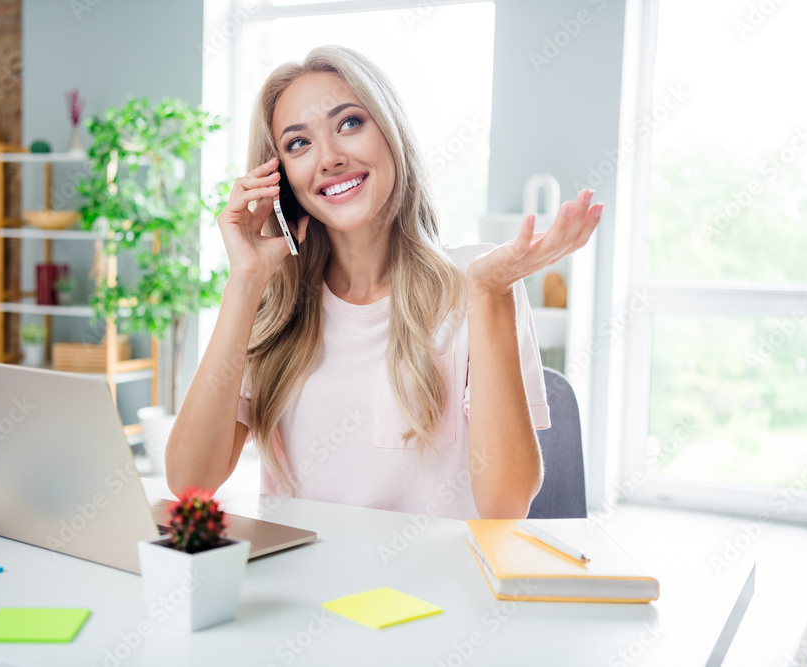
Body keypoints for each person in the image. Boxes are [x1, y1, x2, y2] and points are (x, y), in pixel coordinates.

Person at [166, 45, 602, 520]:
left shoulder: (479, 282)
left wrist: (490, 297)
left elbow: (505, 507)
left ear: (391, 133)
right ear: (280, 178)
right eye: (298, 143)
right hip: (306, 585)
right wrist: (246, 281)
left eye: (349, 123)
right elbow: (191, 482)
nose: (329, 158)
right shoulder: (274, 307)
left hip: (434, 591)